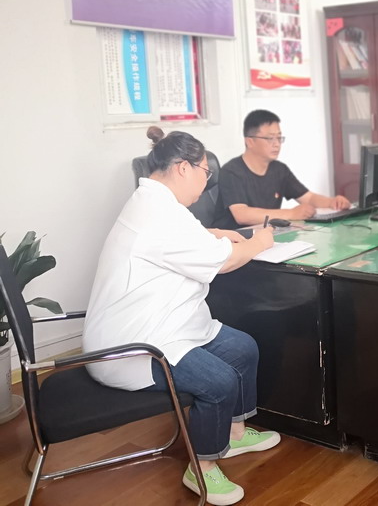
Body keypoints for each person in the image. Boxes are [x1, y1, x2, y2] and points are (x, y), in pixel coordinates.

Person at [83, 127, 280, 505]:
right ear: (183, 168)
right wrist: (259, 241)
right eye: (206, 172)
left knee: (242, 348)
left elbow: (180, 239)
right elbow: (225, 263)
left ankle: (234, 434)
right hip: (133, 344)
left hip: (167, 324)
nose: (208, 182)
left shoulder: (155, 202)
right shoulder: (160, 213)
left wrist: (215, 232)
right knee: (219, 381)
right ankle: (201, 468)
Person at [214, 109, 350, 229]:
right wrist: (291, 213)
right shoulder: (231, 172)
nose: (276, 144)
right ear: (250, 141)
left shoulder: (279, 170)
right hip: (236, 241)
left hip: (268, 236)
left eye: (279, 138)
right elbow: (242, 215)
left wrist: (332, 202)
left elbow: (308, 198)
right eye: (270, 138)